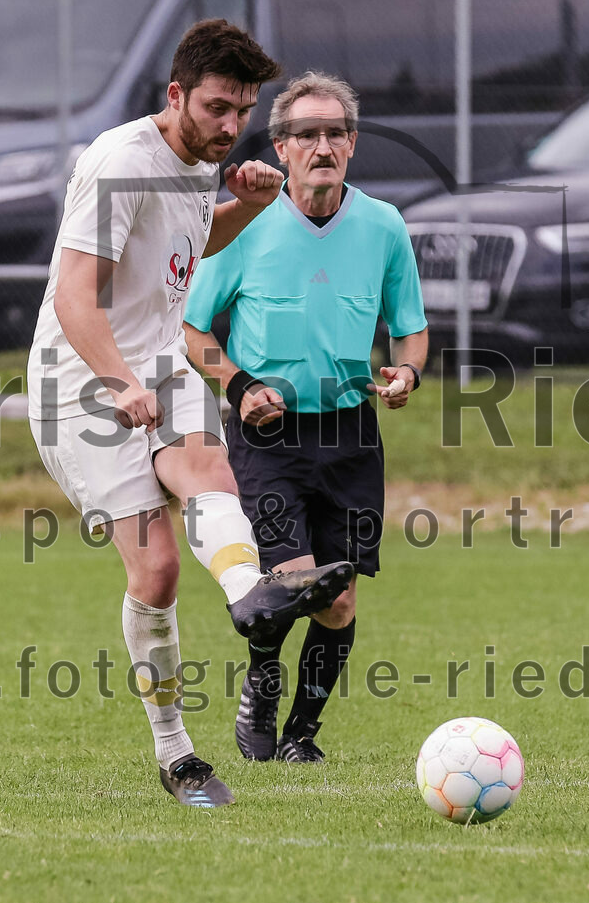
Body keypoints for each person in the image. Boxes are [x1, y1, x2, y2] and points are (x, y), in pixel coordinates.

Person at [26, 24, 354, 808]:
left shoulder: (195, 164)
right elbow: (76, 295)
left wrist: (240, 206)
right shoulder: (121, 162)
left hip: (158, 361)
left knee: (210, 469)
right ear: (175, 95)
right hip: (79, 380)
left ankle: (250, 596)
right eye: (215, 108)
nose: (228, 126)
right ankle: (176, 755)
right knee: (159, 570)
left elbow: (187, 242)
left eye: (240, 111)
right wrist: (118, 382)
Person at [183, 71, 428, 763]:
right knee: (293, 581)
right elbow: (195, 327)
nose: (321, 144)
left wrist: (407, 370)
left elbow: (411, 330)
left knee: (339, 603)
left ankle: (301, 738)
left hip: (351, 434)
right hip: (267, 434)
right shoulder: (248, 225)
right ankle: (262, 673)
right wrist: (237, 385)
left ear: (351, 144)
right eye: (305, 133)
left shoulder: (383, 226)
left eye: (333, 133)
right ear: (282, 148)